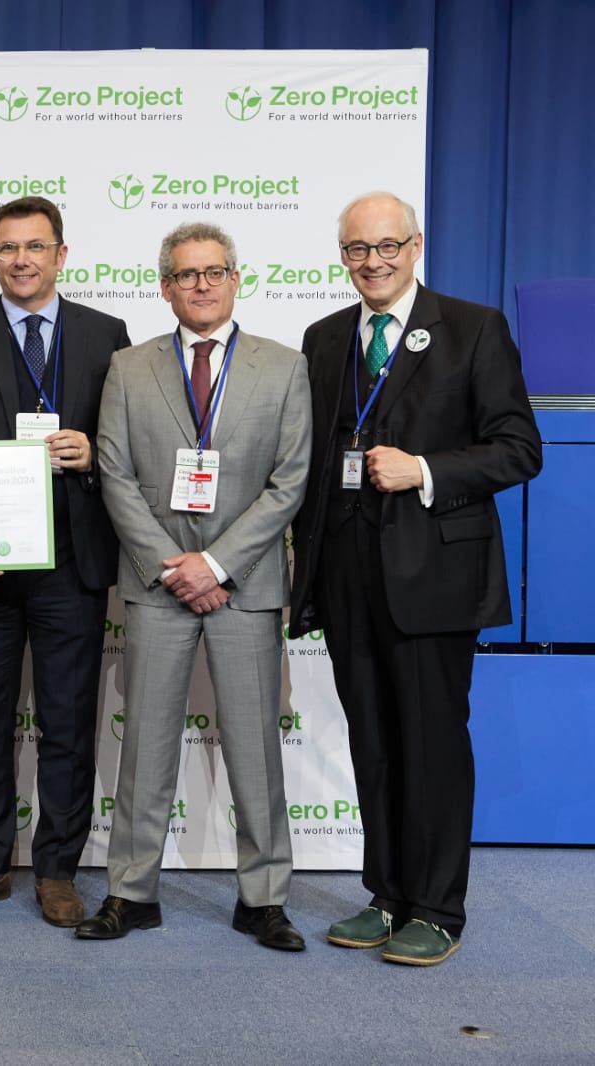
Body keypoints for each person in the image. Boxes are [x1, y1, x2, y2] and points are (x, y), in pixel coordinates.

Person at [288, 192, 541, 966]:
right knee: (374, 741)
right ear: (344, 257)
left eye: (387, 246)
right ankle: (387, 894)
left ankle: (437, 908)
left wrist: (425, 468)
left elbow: (519, 448)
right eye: (358, 250)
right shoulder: (325, 337)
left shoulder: (474, 327)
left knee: (431, 743)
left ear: (416, 244)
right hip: (348, 574)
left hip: (433, 575)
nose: (373, 262)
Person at [78, 222, 311, 950]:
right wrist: (173, 564)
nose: (201, 284)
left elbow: (290, 481)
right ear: (164, 286)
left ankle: (264, 897)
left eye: (214, 272)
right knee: (145, 743)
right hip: (156, 585)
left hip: (245, 583)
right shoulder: (128, 366)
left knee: (254, 747)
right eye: (186, 274)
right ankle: (131, 891)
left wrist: (216, 565)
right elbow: (113, 475)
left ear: (236, 279)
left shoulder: (284, 367)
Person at [0, 196, 131, 926]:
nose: (21, 259)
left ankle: (57, 869)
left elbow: (128, 445)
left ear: (60, 254)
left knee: (69, 722)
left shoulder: (108, 336)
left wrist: (93, 456)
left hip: (71, 563)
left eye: (35, 246)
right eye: (8, 247)